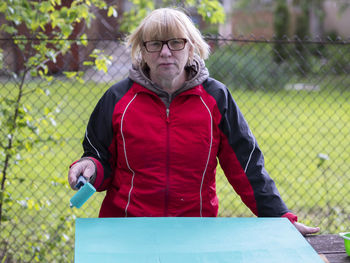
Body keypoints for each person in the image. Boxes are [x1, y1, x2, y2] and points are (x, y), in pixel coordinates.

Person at [68, 7, 319, 236]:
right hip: (126, 230)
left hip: (195, 231)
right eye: (155, 44)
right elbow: (100, 159)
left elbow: (247, 166)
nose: (166, 52)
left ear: (191, 47)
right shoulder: (117, 99)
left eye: (176, 42)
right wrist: (89, 167)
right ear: (143, 51)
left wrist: (280, 217)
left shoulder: (217, 99)